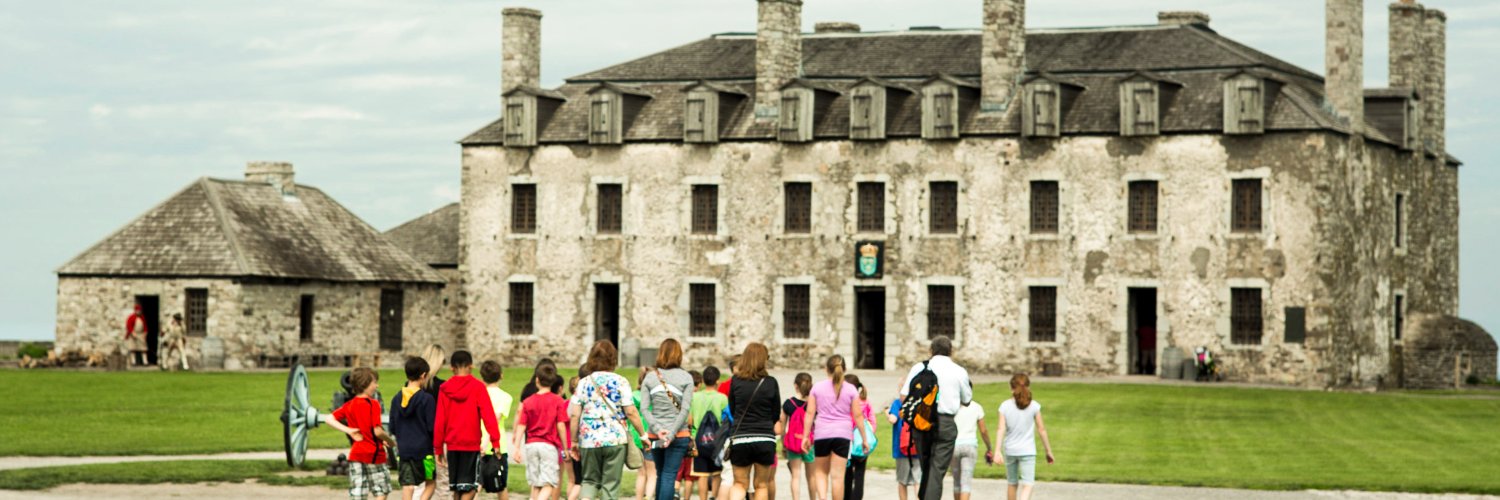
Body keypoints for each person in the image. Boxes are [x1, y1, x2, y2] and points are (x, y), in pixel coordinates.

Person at [568, 341, 649, 500]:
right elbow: (631, 411)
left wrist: (574, 441)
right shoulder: (621, 381)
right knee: (610, 485)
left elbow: (575, 415)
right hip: (615, 439)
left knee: (589, 481)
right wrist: (643, 435)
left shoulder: (583, 383)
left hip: (589, 439)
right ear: (613, 359)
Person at [901, 336, 972, 500]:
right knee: (936, 469)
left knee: (927, 467)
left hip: (921, 422)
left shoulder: (919, 367)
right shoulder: (959, 371)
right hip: (946, 422)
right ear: (951, 351)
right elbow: (967, 400)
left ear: (931, 351)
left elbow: (904, 396)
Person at [434, 351, 503, 500]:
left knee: (457, 488)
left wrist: (438, 447)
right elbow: (489, 416)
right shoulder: (478, 387)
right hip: (470, 444)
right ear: (471, 366)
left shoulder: (445, 389)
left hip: (452, 444)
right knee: (471, 486)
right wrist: (495, 441)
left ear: (451, 368)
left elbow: (440, 419)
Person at [801, 356, 870, 500]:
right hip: (843, 435)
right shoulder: (851, 389)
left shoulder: (817, 388)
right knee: (838, 477)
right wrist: (864, 438)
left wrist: (806, 436)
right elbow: (858, 416)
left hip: (822, 434)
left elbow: (810, 413)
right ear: (844, 369)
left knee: (821, 472)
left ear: (826, 369)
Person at [325, 367, 394, 500]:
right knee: (381, 491)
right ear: (366, 384)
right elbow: (377, 431)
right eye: (374, 382)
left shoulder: (349, 405)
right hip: (374, 454)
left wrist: (349, 430)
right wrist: (390, 441)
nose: (377, 385)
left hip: (356, 454)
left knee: (358, 493)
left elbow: (329, 419)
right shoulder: (373, 404)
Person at [724, 343, 781, 500]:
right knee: (761, 485)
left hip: (741, 437)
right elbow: (776, 413)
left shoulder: (735, 381)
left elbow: (733, 409)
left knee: (739, 484)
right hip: (764, 438)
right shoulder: (771, 382)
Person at [642, 339, 695, 500]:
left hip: (655, 436)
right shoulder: (686, 377)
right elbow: (685, 409)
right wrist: (671, 434)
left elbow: (644, 408)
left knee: (660, 474)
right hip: (678, 435)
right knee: (669, 475)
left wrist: (658, 430)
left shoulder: (650, 377)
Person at [515, 365, 570, 500]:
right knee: (549, 483)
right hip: (548, 446)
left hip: (531, 445)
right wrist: (565, 447)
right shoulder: (557, 401)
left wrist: (516, 447)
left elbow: (522, 425)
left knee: (536, 484)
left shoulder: (528, 401)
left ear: (537, 380)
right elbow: (561, 425)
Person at [997, 374, 1054, 500]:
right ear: (1028, 386)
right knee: (1028, 484)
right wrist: (1048, 451)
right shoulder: (1034, 406)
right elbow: (1042, 430)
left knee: (1012, 483)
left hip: (1010, 449)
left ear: (1011, 387)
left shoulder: (1005, 406)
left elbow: (1001, 429)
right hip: (1028, 450)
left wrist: (997, 450)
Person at [392, 357, 439, 500]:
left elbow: (393, 426)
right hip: (424, 451)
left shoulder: (396, 399)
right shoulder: (427, 399)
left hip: (404, 450)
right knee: (430, 483)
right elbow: (432, 427)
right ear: (423, 375)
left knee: (408, 485)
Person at [691, 366, 728, 500]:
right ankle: (714, 496)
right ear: (717, 381)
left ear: (703, 380)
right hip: (717, 441)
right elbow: (725, 419)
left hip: (698, 440)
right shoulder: (722, 398)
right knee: (717, 472)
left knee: (702, 474)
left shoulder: (695, 397)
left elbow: (690, 419)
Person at [950, 385, 993, 500]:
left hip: (954, 446)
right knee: (966, 483)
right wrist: (989, 447)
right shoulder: (977, 407)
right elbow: (983, 431)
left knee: (957, 482)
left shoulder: (952, 407)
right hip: (970, 446)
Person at [481, 361, 515, 500]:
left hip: (478, 443)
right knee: (501, 485)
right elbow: (495, 421)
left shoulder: (478, 394)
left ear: (482, 376)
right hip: (497, 446)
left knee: (476, 484)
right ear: (501, 375)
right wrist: (487, 442)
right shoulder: (505, 397)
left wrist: (482, 443)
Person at [780, 373, 815, 500]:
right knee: (811, 476)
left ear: (796, 386)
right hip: (809, 443)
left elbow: (782, 427)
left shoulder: (788, 404)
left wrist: (784, 443)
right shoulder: (813, 403)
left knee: (795, 475)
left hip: (793, 442)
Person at [842, 375, 874, 500]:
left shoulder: (845, 403)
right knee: (860, 474)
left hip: (848, 444)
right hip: (862, 443)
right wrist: (868, 435)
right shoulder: (865, 402)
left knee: (847, 475)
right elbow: (873, 422)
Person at [886, 391, 921, 500]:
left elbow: (893, 419)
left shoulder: (897, 403)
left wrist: (887, 412)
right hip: (918, 447)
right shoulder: (919, 402)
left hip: (901, 448)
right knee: (918, 481)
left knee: (902, 482)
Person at [632, 369, 658, 500]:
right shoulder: (656, 397)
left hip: (636, 436)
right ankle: (648, 497)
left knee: (641, 473)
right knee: (652, 472)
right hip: (651, 436)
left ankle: (638, 498)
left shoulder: (634, 395)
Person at [564, 375, 583, 500]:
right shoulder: (578, 405)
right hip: (575, 446)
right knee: (580, 481)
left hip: (564, 446)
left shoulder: (564, 404)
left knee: (571, 480)